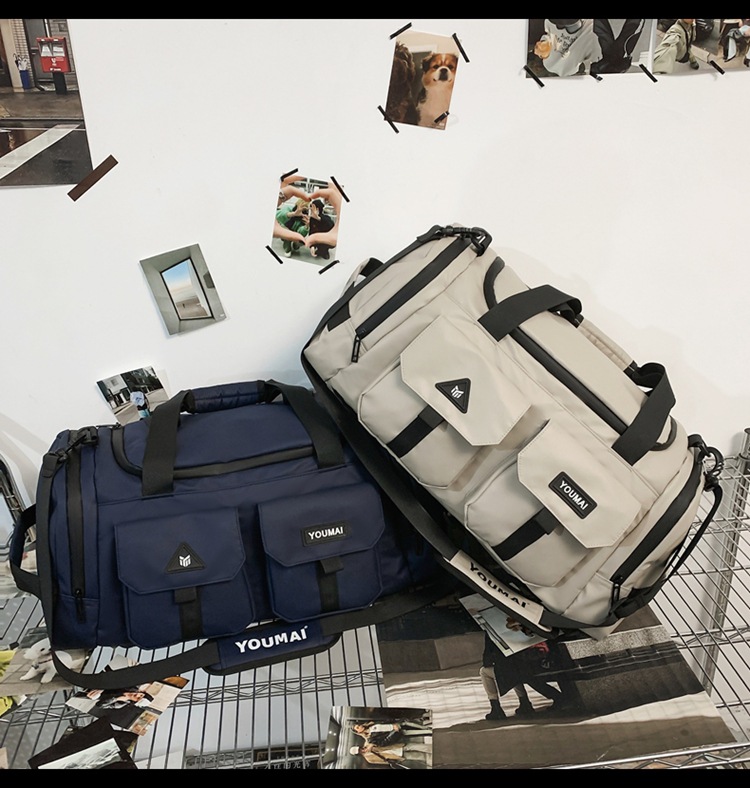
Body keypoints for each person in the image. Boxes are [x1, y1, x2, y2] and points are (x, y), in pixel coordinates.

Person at [533, 19, 602, 77]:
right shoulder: (550, 22)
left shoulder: (592, 30)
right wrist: (544, 43)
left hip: (573, 75)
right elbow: (549, 33)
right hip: (549, 66)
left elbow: (597, 58)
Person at [350, 740, 432, 769]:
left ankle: (434, 748)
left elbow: (378, 740)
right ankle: (435, 758)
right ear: (358, 754)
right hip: (397, 756)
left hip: (397, 746)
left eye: (360, 749)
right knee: (420, 756)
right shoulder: (369, 759)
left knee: (418, 746)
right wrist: (396, 761)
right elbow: (384, 762)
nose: (361, 751)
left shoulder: (367, 743)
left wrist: (371, 745)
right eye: (359, 752)